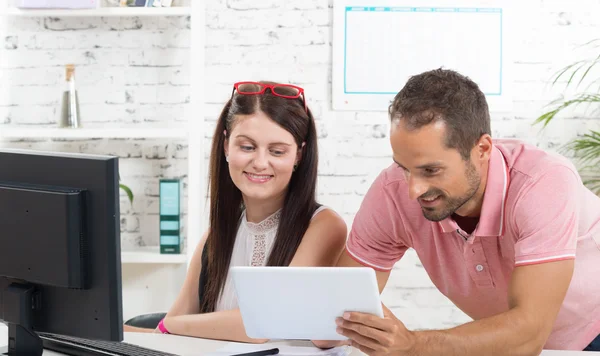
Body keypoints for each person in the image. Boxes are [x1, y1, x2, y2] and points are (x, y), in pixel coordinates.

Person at [332, 69, 600, 354]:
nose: (413, 190)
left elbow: (529, 333)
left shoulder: (542, 182)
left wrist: (413, 345)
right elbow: (339, 303)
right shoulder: (392, 192)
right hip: (510, 343)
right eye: (404, 168)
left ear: (482, 149)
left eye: (431, 170)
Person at [124, 81, 347, 343]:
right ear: (226, 146)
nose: (260, 163)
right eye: (247, 147)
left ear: (299, 154)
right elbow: (167, 333)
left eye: (277, 151)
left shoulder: (324, 226)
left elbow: (262, 324)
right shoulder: (215, 237)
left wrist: (173, 325)